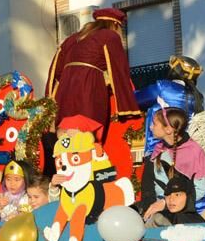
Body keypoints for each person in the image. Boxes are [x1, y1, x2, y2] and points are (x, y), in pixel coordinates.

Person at [45, 7, 141, 141]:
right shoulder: (109, 36)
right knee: (88, 140)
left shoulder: (70, 39)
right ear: (115, 25)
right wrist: (128, 102)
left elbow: (55, 72)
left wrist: (50, 106)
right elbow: (119, 69)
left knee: (65, 141)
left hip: (64, 97)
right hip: (89, 93)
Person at [140, 107, 205, 222]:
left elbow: (199, 190)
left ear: (168, 129)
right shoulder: (159, 150)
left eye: (154, 124)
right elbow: (154, 184)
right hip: (160, 208)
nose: (151, 127)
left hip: (186, 212)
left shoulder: (193, 152)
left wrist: (166, 203)